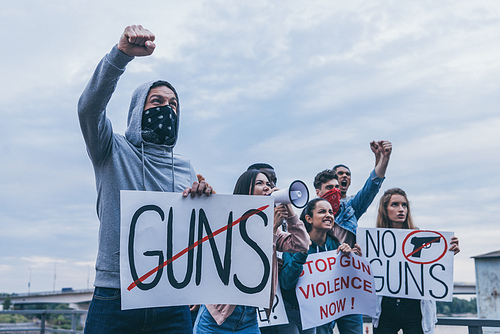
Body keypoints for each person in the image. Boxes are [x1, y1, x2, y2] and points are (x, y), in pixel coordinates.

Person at [78, 25, 212, 333]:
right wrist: (120, 56)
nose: (167, 109)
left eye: (173, 105)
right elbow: (88, 108)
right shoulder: (110, 149)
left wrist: (204, 200)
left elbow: (193, 233)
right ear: (139, 108)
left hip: (171, 299)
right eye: (157, 102)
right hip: (116, 296)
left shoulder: (185, 168)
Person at [193, 169, 310, 333]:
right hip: (217, 319)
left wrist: (289, 210)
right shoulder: (228, 221)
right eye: (260, 183)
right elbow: (247, 262)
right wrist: (271, 229)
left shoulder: (273, 227)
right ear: (245, 188)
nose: (267, 188)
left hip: (248, 318)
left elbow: (302, 244)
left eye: (269, 184)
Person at [372, 188, 460, 334]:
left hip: (415, 308)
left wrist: (448, 252)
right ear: (385, 210)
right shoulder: (373, 241)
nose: (401, 209)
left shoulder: (422, 236)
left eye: (404, 205)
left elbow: (431, 265)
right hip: (386, 307)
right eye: (395, 205)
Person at [277, 198, 355, 334]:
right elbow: (286, 283)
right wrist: (302, 253)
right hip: (290, 311)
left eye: (330, 212)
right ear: (309, 218)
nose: (328, 215)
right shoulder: (295, 242)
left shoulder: (334, 245)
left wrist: (350, 258)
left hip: (315, 312)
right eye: (322, 212)